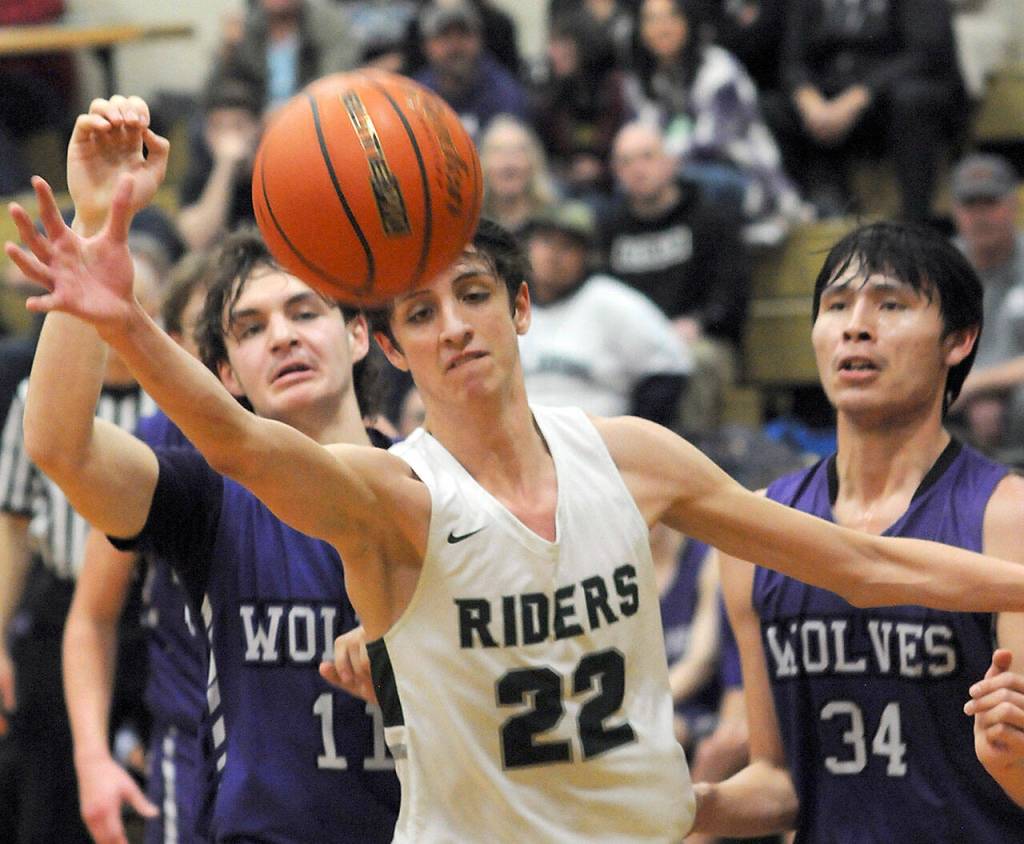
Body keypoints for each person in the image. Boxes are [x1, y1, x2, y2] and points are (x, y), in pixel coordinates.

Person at [13, 113, 1024, 841]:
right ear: (391, 349)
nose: (452, 325)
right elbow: (235, 448)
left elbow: (855, 560)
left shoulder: (633, 457)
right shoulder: (389, 494)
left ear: (522, 307)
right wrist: (126, 320)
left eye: (473, 294)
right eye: (419, 313)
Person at [22, 97, 399, 842]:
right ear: (224, 374)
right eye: (252, 330)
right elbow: (61, 448)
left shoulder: (428, 485)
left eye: (305, 312)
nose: (283, 337)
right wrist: (97, 225)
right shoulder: (209, 495)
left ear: (358, 333)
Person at [702, 221, 1024, 839]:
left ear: (958, 340)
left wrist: (1011, 759)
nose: (856, 324)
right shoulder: (758, 527)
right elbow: (777, 780)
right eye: (837, 305)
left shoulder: (1006, 518)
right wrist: (689, 804)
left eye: (891, 304)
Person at [0, 255, 164, 844]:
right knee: (52, 786)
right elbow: (12, 527)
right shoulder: (34, 397)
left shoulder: (178, 404)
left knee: (161, 786)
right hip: (61, 605)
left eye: (135, 303)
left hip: (155, 612)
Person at [65, 253, 217, 844]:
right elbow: (93, 614)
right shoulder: (155, 443)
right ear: (170, 340)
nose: (225, 343)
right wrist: (92, 757)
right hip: (191, 743)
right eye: (211, 325)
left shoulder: (335, 434)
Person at [597, 119, 749, 437]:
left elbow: (730, 298)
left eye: (647, 157)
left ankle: (688, 464)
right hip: (631, 344)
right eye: (626, 162)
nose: (638, 169)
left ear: (670, 163)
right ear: (617, 173)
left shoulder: (709, 219)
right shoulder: (609, 228)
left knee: (695, 360)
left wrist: (698, 323)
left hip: (699, 339)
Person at [765, 0, 966, 220]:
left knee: (912, 100)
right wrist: (809, 100)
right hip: (830, 101)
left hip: (892, 97)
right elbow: (792, 60)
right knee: (770, 110)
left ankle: (916, 218)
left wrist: (859, 97)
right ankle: (809, 207)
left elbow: (926, 54)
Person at [625, 0, 803, 234]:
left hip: (743, 174)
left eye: (670, 17)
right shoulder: (644, 81)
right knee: (629, 185)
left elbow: (713, 140)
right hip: (672, 171)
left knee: (689, 183)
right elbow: (641, 137)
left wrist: (659, 160)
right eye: (651, 19)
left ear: (688, 22)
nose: (661, 27)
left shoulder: (719, 67)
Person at [519, 199, 692, 427]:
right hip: (521, 441)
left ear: (586, 255)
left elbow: (670, 366)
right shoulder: (507, 304)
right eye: (546, 242)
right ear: (528, 247)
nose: (554, 255)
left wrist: (635, 435)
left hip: (597, 441)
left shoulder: (613, 302)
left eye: (567, 246)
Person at [948, 153, 1024, 461]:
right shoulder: (938, 270)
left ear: (1013, 204)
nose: (980, 216)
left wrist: (977, 386)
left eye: (990, 204)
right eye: (970, 206)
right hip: (956, 402)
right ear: (955, 212)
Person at [412, 0, 529, 142]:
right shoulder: (414, 96)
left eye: (463, 34)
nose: (455, 46)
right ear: (426, 45)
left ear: (480, 39)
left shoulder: (505, 94)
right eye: (444, 36)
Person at [478, 115, 559, 240]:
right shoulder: (470, 225)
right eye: (498, 152)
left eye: (518, 152)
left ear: (534, 163)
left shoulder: (555, 223)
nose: (509, 164)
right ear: (482, 163)